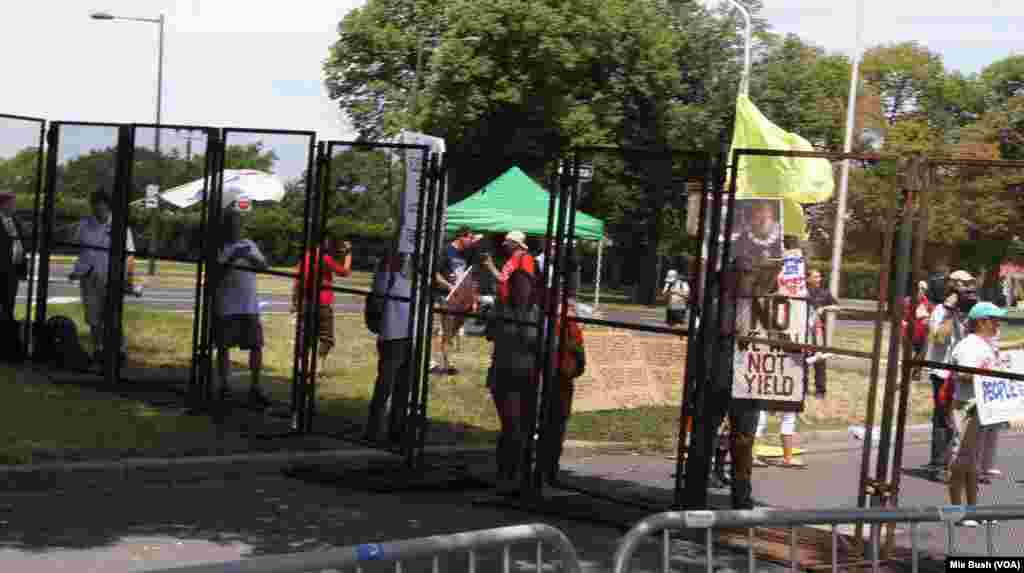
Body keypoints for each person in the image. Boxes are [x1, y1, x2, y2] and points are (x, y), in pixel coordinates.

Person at [945, 302, 1006, 527]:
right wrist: (991, 376)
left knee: (972, 463)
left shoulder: (985, 344)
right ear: (981, 321)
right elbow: (963, 375)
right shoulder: (969, 345)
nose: (998, 323)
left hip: (981, 408)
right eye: (994, 319)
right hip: (966, 408)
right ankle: (956, 512)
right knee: (960, 460)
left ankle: (972, 510)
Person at [68, 189, 139, 367]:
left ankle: (119, 351)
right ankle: (98, 350)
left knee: (112, 316)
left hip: (111, 277)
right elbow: (76, 247)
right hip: (88, 276)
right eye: (94, 206)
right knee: (93, 317)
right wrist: (78, 269)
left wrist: (128, 279)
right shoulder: (84, 225)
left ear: (108, 206)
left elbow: (130, 255)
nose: (98, 210)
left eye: (101, 206)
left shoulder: (121, 227)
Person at [486, 269, 541, 491]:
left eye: (525, 286)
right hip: (504, 375)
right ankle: (505, 474)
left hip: (528, 377)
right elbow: (489, 333)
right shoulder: (501, 309)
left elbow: (544, 343)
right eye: (516, 285)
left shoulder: (537, 313)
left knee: (524, 429)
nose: (521, 290)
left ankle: (518, 475)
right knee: (512, 426)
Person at [213, 211, 270, 407]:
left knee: (256, 346)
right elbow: (214, 275)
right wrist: (231, 258)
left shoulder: (249, 244)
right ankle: (224, 387)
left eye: (238, 223)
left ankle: (255, 387)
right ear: (225, 226)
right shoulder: (219, 247)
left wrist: (251, 257)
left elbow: (264, 266)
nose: (236, 227)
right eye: (231, 223)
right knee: (223, 347)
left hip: (249, 305)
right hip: (227, 306)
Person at [924, 270, 974, 477]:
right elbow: (939, 339)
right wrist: (949, 311)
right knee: (943, 417)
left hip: (961, 372)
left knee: (962, 417)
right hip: (942, 372)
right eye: (963, 285)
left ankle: (957, 462)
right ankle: (938, 463)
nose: (967, 290)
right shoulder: (939, 311)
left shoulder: (968, 312)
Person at [364, 247, 413, 444]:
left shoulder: (406, 277)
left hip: (408, 334)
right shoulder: (386, 277)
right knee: (386, 385)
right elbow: (378, 297)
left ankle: (396, 430)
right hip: (393, 335)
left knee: (403, 387)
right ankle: (374, 430)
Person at [292, 234, 352, 378]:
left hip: (306, 302)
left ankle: (301, 366)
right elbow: (345, 272)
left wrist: (295, 302)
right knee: (326, 337)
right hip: (323, 303)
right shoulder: (325, 259)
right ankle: (319, 367)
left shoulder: (306, 257)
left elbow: (297, 282)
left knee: (304, 336)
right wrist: (348, 254)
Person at [433, 227, 481, 375]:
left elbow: (470, 276)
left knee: (453, 331)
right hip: (447, 297)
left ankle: (444, 360)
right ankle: (444, 363)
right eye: (469, 238)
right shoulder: (446, 250)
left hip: (462, 298)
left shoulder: (467, 253)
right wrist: (449, 286)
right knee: (447, 330)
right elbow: (435, 274)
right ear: (461, 237)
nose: (471, 241)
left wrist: (473, 298)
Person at [806, 269, 841, 398]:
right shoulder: (802, 292)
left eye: (819, 277)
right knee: (802, 359)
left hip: (819, 332)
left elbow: (837, 306)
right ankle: (802, 388)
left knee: (820, 360)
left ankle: (820, 390)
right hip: (804, 331)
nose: (818, 279)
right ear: (807, 279)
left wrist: (824, 308)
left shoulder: (825, 293)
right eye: (815, 277)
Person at [482, 230, 536, 304]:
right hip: (512, 301)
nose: (505, 245)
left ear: (515, 244)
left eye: (508, 242)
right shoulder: (518, 257)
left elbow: (503, 278)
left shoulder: (521, 258)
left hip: (514, 303)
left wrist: (491, 266)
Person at [0, 192, 26, 324]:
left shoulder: (16, 220)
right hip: (1, 268)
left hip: (14, 268)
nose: (14, 206)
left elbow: (21, 243)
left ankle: (8, 326)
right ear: (3, 205)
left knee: (10, 299)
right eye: (12, 204)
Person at [903, 281, 934, 381]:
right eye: (919, 288)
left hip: (923, 332)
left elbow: (932, 314)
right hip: (910, 332)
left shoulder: (927, 302)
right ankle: (908, 370)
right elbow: (904, 316)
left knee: (922, 353)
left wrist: (929, 319)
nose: (921, 291)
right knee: (910, 354)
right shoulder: (908, 301)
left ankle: (916, 373)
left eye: (923, 289)